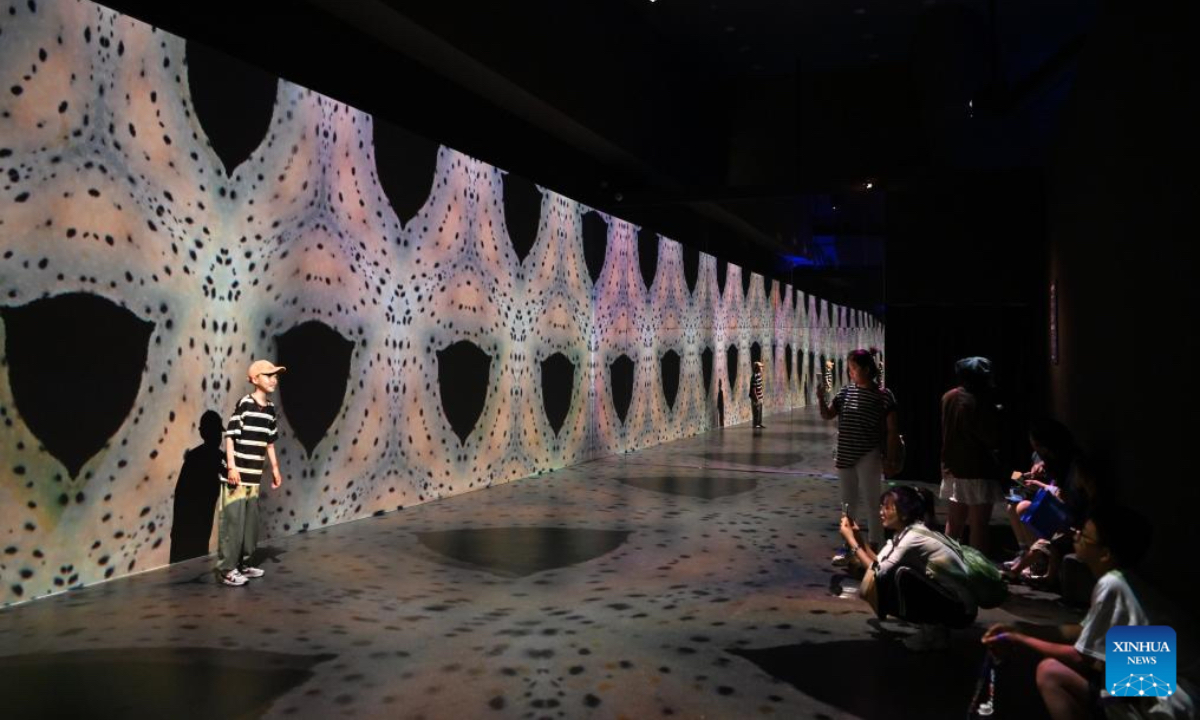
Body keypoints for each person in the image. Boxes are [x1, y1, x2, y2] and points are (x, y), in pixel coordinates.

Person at [982, 505, 1195, 720]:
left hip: (1171, 705)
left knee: (1050, 672)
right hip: (1158, 684)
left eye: (1084, 535)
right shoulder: (1127, 581)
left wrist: (1018, 638)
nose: (1076, 536)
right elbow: (1081, 632)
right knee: (1100, 669)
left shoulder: (1114, 585)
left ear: (1105, 554)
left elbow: (1080, 657)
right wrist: (1022, 628)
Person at [840, 485, 976, 652]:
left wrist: (851, 542)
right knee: (893, 573)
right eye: (881, 506)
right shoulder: (905, 533)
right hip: (952, 601)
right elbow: (878, 562)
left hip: (961, 610)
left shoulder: (913, 537)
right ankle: (934, 630)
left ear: (904, 513)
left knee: (900, 575)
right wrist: (857, 537)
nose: (881, 512)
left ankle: (933, 632)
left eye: (887, 507)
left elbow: (879, 572)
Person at [818, 349, 899, 561]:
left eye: (853, 367)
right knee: (848, 504)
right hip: (845, 455)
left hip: (868, 454)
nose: (850, 371)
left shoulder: (883, 395)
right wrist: (820, 399)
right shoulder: (845, 392)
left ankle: (876, 547)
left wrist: (890, 458)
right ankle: (850, 546)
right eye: (849, 367)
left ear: (865, 368)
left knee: (873, 504)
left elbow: (892, 430)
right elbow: (828, 414)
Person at [216, 359, 286, 587]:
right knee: (233, 523)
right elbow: (230, 437)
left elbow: (269, 442)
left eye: (275, 375)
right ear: (255, 379)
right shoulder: (245, 404)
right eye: (268, 375)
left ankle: (244, 564)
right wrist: (232, 466)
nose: (273, 379)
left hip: (254, 477)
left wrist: (275, 468)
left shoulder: (270, 410)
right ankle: (227, 569)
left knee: (249, 525)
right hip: (237, 477)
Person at [940, 356, 1004, 555]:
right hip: (979, 468)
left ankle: (947, 567)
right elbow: (990, 437)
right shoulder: (981, 401)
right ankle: (976, 573)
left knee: (954, 523)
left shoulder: (948, 397)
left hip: (954, 467)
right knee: (979, 526)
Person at [750, 360, 765, 428]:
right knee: (756, 411)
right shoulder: (754, 376)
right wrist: (756, 398)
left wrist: (761, 395)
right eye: (760, 367)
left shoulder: (759, 375)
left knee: (760, 411)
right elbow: (753, 389)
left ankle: (759, 423)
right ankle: (756, 424)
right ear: (757, 368)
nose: (762, 368)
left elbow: (760, 387)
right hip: (756, 397)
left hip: (760, 396)